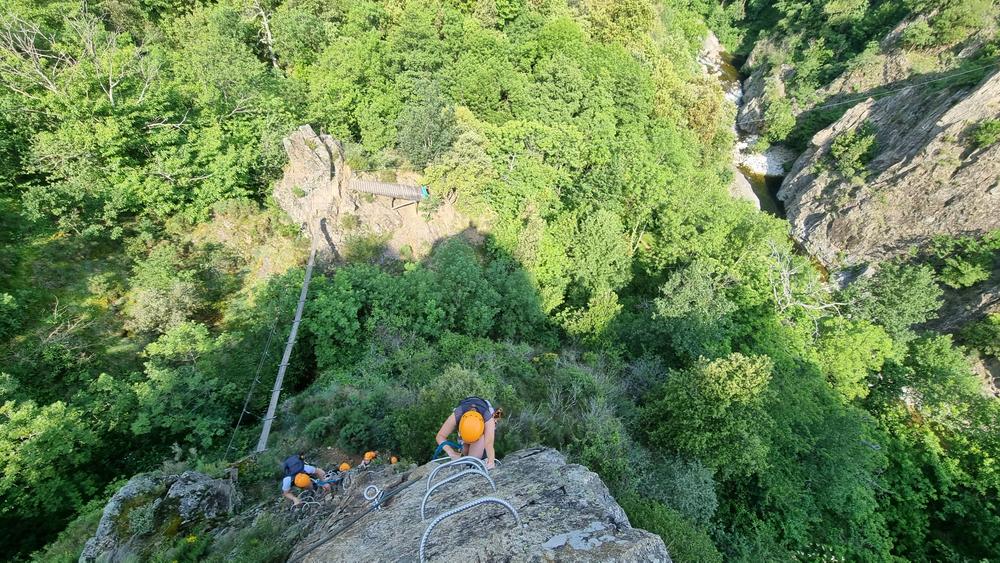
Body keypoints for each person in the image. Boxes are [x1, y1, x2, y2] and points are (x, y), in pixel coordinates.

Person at [435, 396, 501, 469]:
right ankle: (469, 456)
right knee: (466, 453)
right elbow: (440, 436)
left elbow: (489, 443)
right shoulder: (457, 414)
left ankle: (477, 458)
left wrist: (491, 461)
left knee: (472, 459)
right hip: (465, 430)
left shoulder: (488, 418)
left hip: (483, 429)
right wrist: (451, 453)